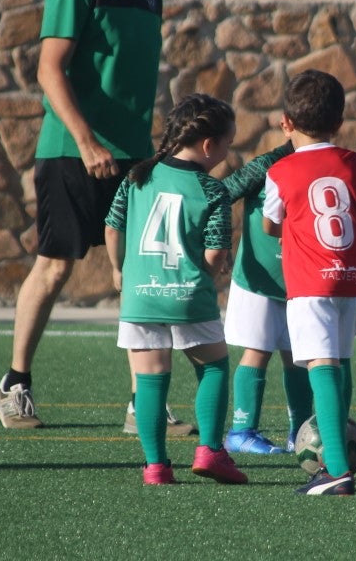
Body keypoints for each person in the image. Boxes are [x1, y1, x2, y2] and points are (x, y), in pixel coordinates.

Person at [0, 0, 173, 430]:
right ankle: (14, 384)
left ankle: (143, 401)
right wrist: (89, 141)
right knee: (54, 266)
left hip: (134, 157)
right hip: (73, 152)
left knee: (140, 276)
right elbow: (49, 70)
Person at [263, 70, 356, 495]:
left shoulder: (281, 170)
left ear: (286, 123)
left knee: (321, 367)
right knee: (342, 361)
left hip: (311, 282)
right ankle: (340, 457)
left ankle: (334, 470)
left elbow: (269, 225)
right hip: (355, 280)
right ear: (340, 124)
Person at [104, 93, 247, 486]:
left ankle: (155, 467)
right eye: (228, 143)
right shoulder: (212, 190)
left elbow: (113, 227)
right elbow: (216, 254)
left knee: (150, 378)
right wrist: (206, 274)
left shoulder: (137, 177)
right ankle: (210, 452)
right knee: (214, 366)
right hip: (188, 296)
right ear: (207, 145)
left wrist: (119, 270)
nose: (227, 152)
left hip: (140, 295)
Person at [221, 140, 313, 455]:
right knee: (257, 351)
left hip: (301, 279)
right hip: (258, 278)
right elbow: (220, 194)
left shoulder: (324, 165)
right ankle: (242, 431)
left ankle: (300, 432)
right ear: (289, 126)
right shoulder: (265, 167)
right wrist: (220, 245)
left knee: (299, 354)